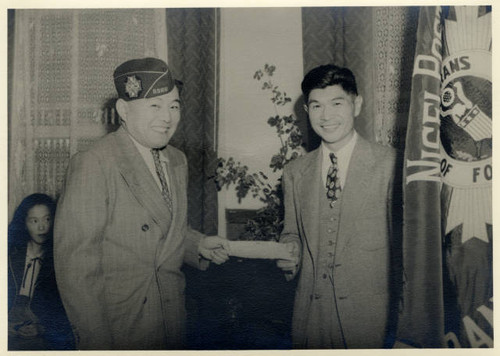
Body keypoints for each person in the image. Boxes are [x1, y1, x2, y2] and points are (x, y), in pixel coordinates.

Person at [53, 57, 229, 350]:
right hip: (121, 326)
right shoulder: (95, 162)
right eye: (155, 106)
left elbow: (162, 230)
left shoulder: (177, 160)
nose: (167, 117)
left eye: (174, 106)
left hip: (171, 319)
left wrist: (195, 244)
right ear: (124, 110)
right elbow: (76, 267)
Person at [277, 64, 402, 348]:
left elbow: (406, 253)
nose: (327, 115)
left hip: (371, 321)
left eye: (337, 103)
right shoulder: (295, 172)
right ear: (307, 112)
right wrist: (289, 253)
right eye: (316, 106)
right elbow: (291, 233)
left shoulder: (391, 164)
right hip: (310, 320)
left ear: (356, 105)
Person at [8, 193, 74, 350]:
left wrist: (42, 327)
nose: (42, 227)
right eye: (34, 221)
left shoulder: (60, 259)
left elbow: (65, 310)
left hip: (39, 331)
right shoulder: (9, 253)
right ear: (24, 223)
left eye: (47, 219)